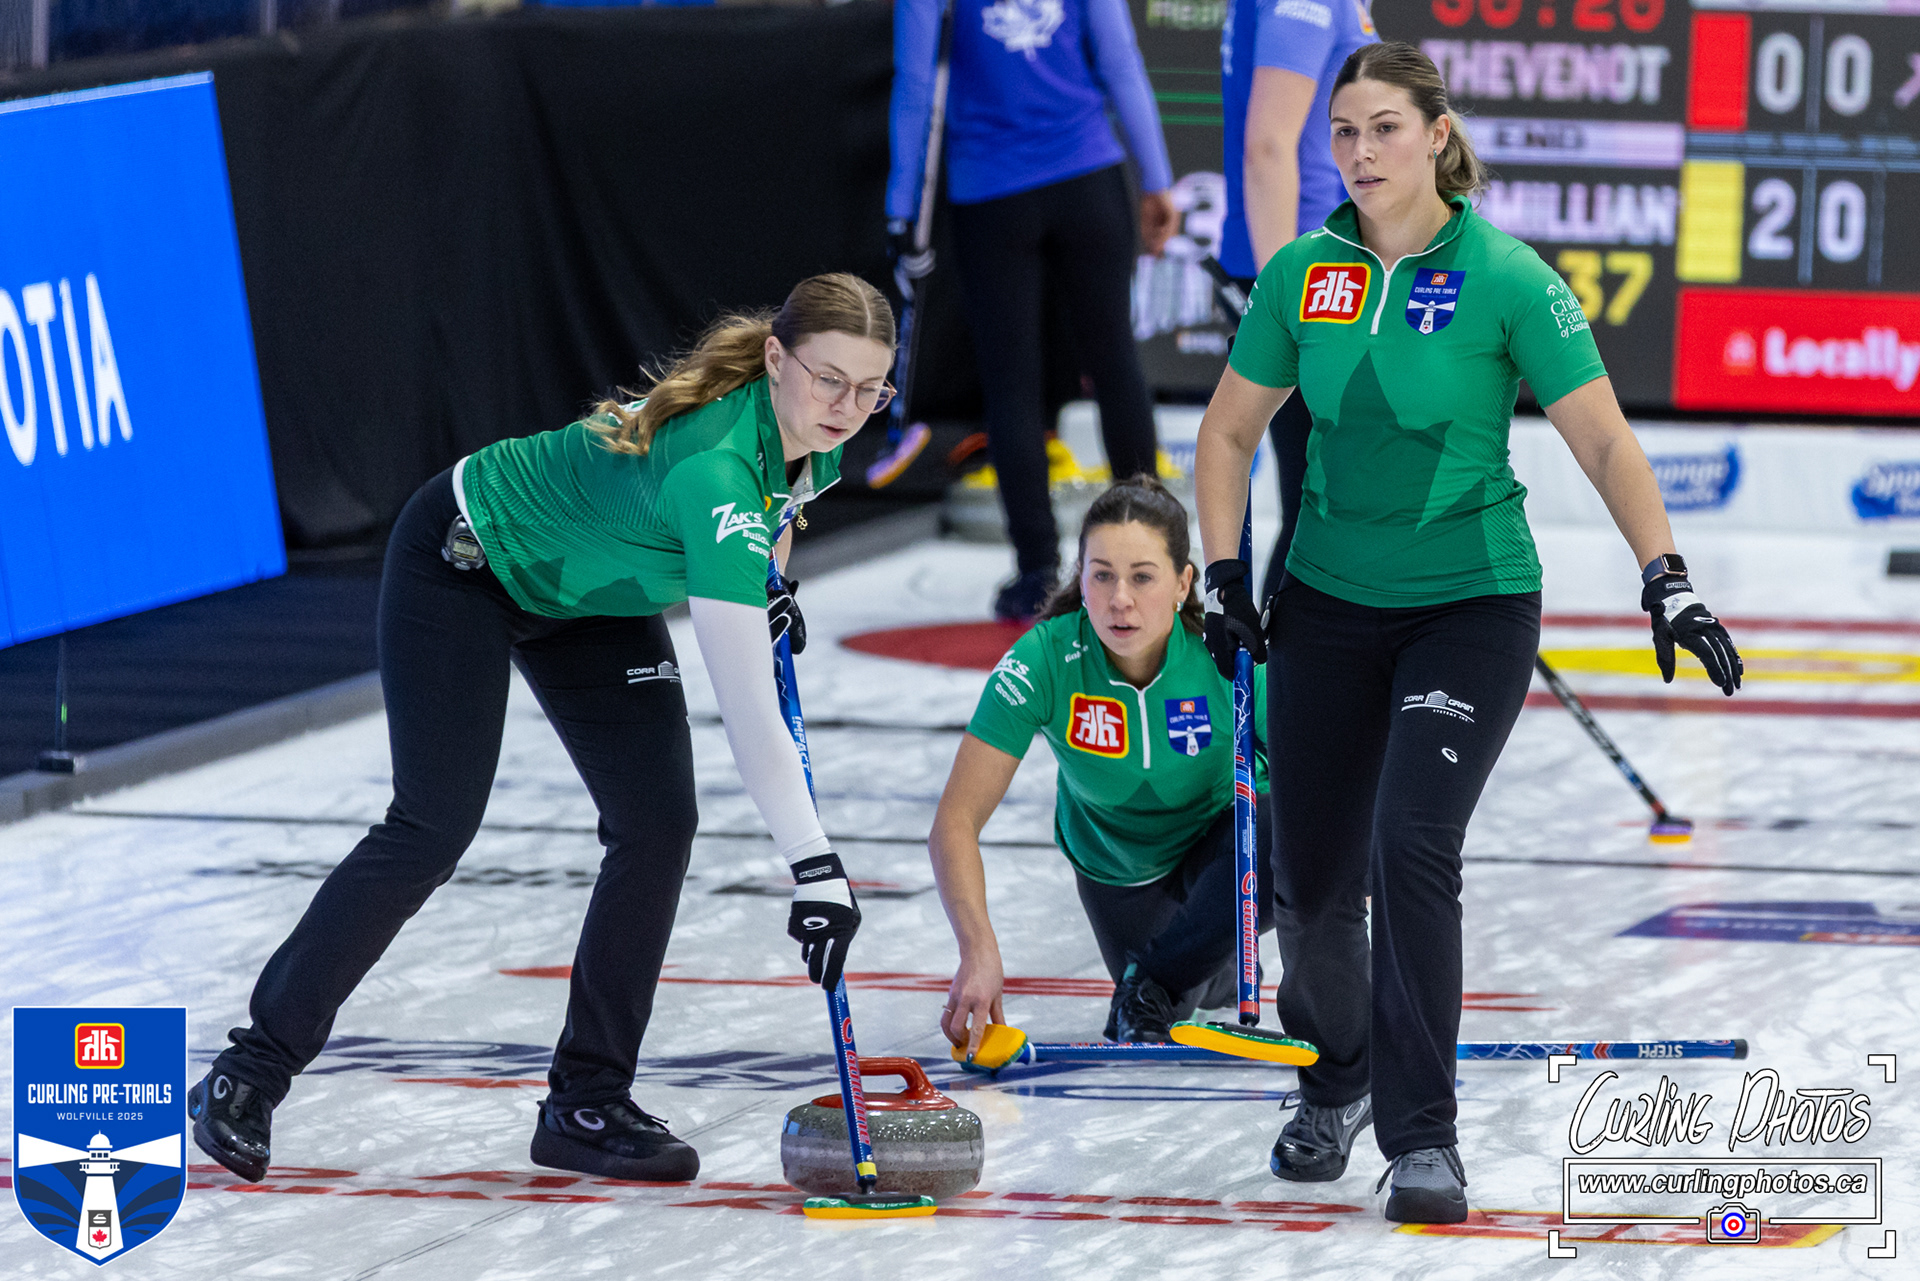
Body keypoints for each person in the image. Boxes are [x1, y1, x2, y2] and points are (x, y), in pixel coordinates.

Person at [1192, 44, 1743, 1224]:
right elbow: (1229, 432)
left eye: (1384, 128)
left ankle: (1423, 1140)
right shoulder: (1301, 274)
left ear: (1437, 135)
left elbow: (1603, 439)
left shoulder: (1506, 276)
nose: (1360, 153)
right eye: (1343, 133)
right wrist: (1225, 572)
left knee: (1411, 843)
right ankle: (1335, 1080)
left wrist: (1668, 580)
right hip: (1327, 604)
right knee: (1312, 888)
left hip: (1471, 605)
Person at [187, 274, 895, 1186]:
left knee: (657, 824)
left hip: (592, 597)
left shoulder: (805, 439)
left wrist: (768, 586)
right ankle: (248, 1072)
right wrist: (814, 864)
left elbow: (778, 516)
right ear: (774, 359)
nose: (847, 406)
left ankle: (586, 1103)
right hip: (468, 562)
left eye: (870, 388)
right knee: (432, 825)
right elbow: (747, 703)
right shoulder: (715, 471)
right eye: (829, 379)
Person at [929, 475, 1270, 1055]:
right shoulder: (1044, 658)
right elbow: (954, 823)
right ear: (1080, 579)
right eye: (1103, 575)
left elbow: (1323, 777)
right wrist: (978, 950)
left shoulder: (1226, 654)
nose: (1120, 600)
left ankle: (1201, 955)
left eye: (1143, 577)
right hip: (1121, 874)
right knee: (1181, 1000)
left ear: (1184, 582)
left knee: (1299, 825)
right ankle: (1207, 960)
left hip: (1226, 846)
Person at [889, 0, 1177, 623]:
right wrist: (1157, 178)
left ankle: (1037, 573)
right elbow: (1120, 61)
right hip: (1087, 176)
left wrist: (900, 205)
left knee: (1010, 382)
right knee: (1114, 361)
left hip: (991, 192)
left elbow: (914, 82)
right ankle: (1152, 553)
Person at [1220, 0, 1378, 605]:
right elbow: (1267, 146)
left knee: (1329, 495)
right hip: (1314, 278)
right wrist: (1281, 298)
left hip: (1327, 269)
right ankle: (1273, 666)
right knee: (1320, 502)